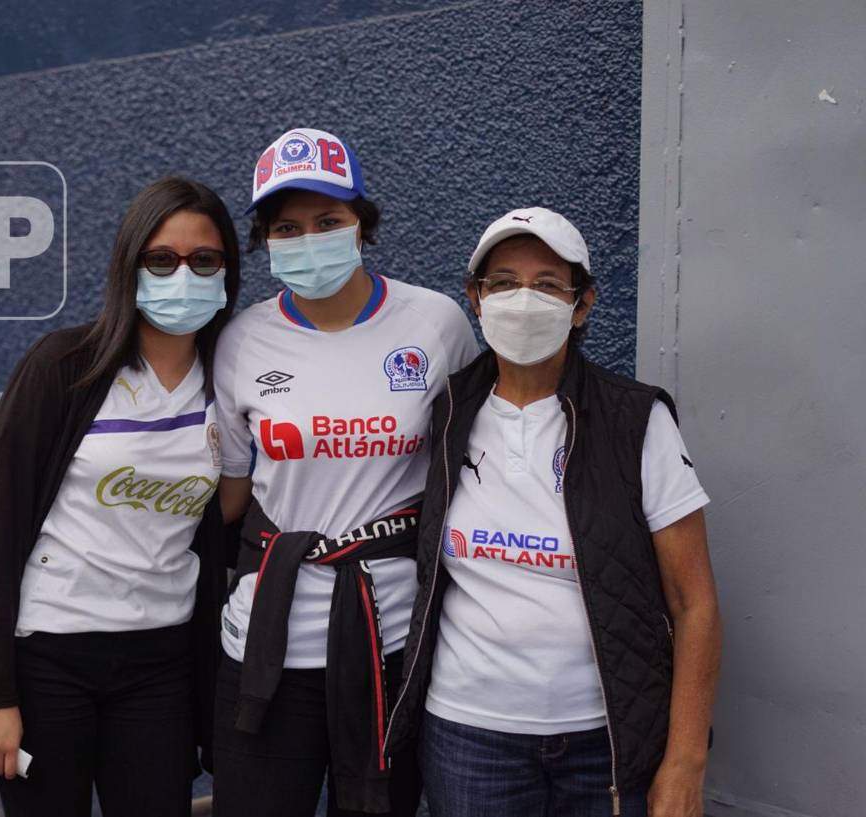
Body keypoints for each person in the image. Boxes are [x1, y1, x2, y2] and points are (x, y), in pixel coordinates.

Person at [384, 207, 722, 817]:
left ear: (583, 304)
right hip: (467, 736)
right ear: (476, 298)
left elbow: (694, 603)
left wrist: (685, 760)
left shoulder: (636, 422)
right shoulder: (446, 415)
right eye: (504, 282)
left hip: (606, 743)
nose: (523, 300)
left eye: (546, 285)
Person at [0, 177, 242, 817]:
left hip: (162, 662)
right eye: (161, 260)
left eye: (204, 260)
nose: (182, 275)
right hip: (51, 657)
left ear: (227, 273)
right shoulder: (63, 367)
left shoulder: (231, 377)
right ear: (128, 267)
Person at [210, 127, 480, 816]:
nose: (309, 238)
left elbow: (471, 461)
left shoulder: (436, 324)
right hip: (268, 646)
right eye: (288, 226)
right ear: (265, 238)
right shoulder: (242, 340)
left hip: (388, 641)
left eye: (328, 221)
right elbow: (232, 499)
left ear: (362, 222)